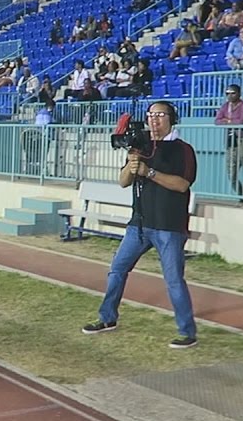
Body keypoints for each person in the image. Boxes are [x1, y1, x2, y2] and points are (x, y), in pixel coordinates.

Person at [82, 101, 199, 348]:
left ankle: (187, 332)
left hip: (168, 226)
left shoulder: (183, 149)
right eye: (150, 115)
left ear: (171, 119)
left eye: (160, 115)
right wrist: (132, 164)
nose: (154, 120)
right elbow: (123, 181)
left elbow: (182, 185)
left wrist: (149, 173)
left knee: (174, 280)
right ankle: (107, 317)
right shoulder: (141, 146)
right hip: (138, 225)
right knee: (117, 269)